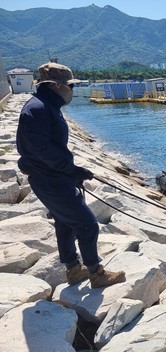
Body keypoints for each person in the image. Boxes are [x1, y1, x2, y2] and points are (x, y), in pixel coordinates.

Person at [16, 62, 126, 288]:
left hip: (55, 177)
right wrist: (72, 170)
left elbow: (47, 149)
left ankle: (74, 270)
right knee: (87, 225)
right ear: (56, 86)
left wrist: (72, 172)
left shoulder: (46, 106)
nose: (73, 90)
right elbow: (41, 151)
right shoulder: (37, 109)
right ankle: (96, 273)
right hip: (50, 179)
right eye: (71, 86)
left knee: (65, 223)